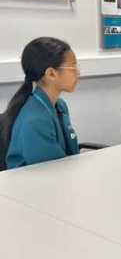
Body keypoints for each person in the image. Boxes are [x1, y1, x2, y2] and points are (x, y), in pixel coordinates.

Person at [2, 38, 80, 169]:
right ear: (51, 74)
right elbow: (52, 170)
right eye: (73, 67)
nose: (78, 73)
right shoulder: (34, 120)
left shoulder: (59, 105)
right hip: (32, 185)